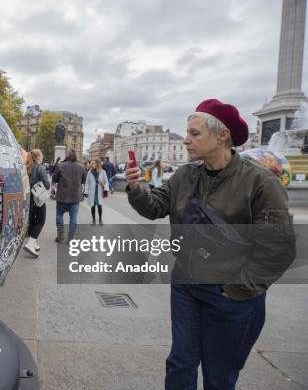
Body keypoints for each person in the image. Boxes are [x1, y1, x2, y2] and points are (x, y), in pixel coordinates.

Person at [125, 98, 295, 390]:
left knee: (219, 376)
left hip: (233, 295)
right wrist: (136, 188)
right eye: (187, 133)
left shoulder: (260, 182)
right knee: (180, 364)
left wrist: (238, 289)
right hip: (186, 287)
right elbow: (155, 207)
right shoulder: (184, 175)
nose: (186, 140)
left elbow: (278, 247)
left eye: (195, 133)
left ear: (222, 135)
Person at [52, 149, 85, 243]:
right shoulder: (81, 167)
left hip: (62, 195)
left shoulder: (60, 165)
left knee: (59, 215)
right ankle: (70, 238)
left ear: (67, 155)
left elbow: (54, 179)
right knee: (73, 217)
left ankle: (60, 236)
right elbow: (83, 180)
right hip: (75, 196)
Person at [23, 149, 50, 257]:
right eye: (42, 155)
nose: (42, 156)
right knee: (40, 221)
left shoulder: (27, 166)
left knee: (33, 220)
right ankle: (30, 244)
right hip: (38, 199)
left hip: (29, 199)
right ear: (38, 156)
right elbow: (47, 185)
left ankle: (33, 242)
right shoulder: (40, 168)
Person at [84, 159, 109, 225]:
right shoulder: (90, 172)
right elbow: (87, 182)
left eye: (94, 163)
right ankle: (93, 220)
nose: (92, 164)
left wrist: (106, 188)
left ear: (97, 164)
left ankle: (100, 219)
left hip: (99, 191)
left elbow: (106, 181)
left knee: (99, 206)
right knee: (93, 206)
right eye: (92, 163)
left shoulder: (103, 172)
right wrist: (86, 192)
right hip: (92, 191)